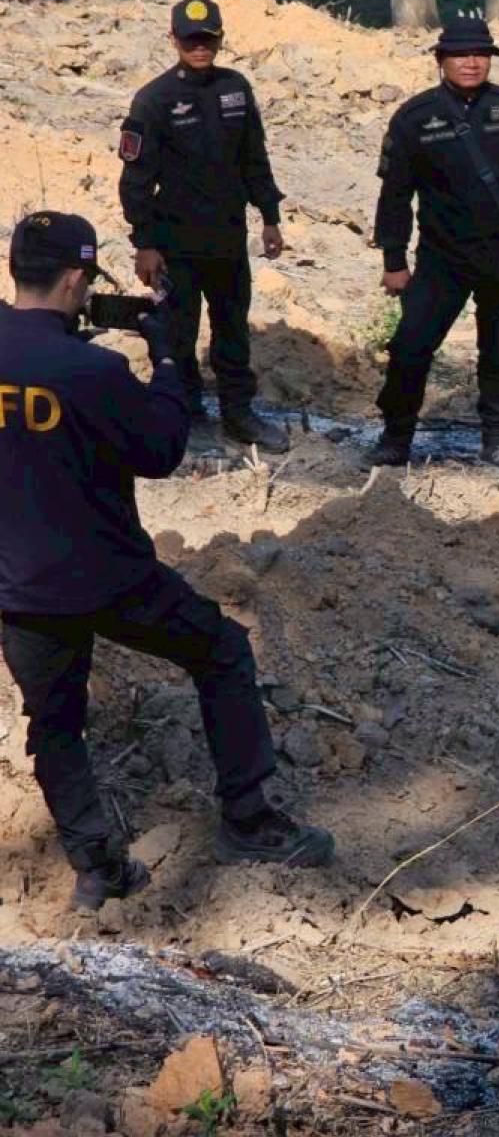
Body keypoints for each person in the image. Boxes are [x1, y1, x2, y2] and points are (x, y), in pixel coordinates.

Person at [0, 213, 334, 913]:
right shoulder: (95, 371)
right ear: (75, 279)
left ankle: (97, 871)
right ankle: (247, 820)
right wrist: (169, 362)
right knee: (222, 651)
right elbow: (161, 452)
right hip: (112, 578)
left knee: (55, 722)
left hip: (19, 586)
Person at [370, 17, 499, 471]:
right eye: (460, 55)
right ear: (441, 60)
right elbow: (395, 196)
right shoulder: (414, 117)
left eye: (480, 54)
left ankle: (497, 439)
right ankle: (396, 437)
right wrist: (393, 260)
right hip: (443, 258)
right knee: (410, 347)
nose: (471, 62)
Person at [117, 0, 290, 453]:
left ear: (220, 39)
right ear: (173, 40)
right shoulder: (153, 100)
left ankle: (239, 415)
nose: (200, 48)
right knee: (179, 333)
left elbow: (255, 159)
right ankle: (187, 415)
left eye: (208, 39)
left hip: (228, 239)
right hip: (175, 243)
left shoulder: (236, 88)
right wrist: (144, 244)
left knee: (232, 330)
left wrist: (270, 217)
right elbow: (135, 182)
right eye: (190, 40)